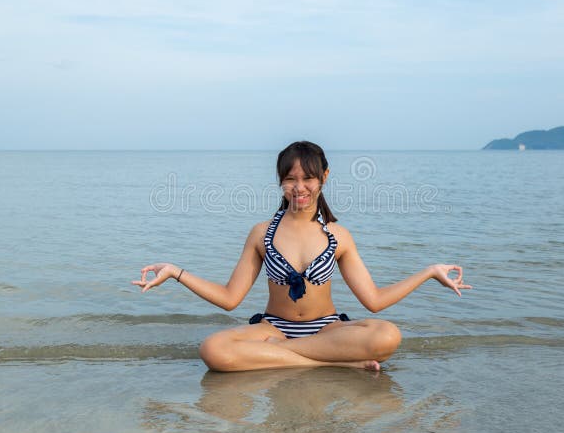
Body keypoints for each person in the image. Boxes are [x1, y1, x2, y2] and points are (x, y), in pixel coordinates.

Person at [133, 141, 470, 372]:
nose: (300, 188)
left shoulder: (338, 236)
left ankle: (279, 358)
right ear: (280, 182)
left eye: (308, 178)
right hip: (273, 328)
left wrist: (428, 272)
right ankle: (336, 364)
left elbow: (375, 301)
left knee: (388, 335)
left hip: (326, 331)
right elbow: (229, 298)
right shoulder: (261, 233)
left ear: (324, 177)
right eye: (290, 179)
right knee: (211, 350)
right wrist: (177, 272)